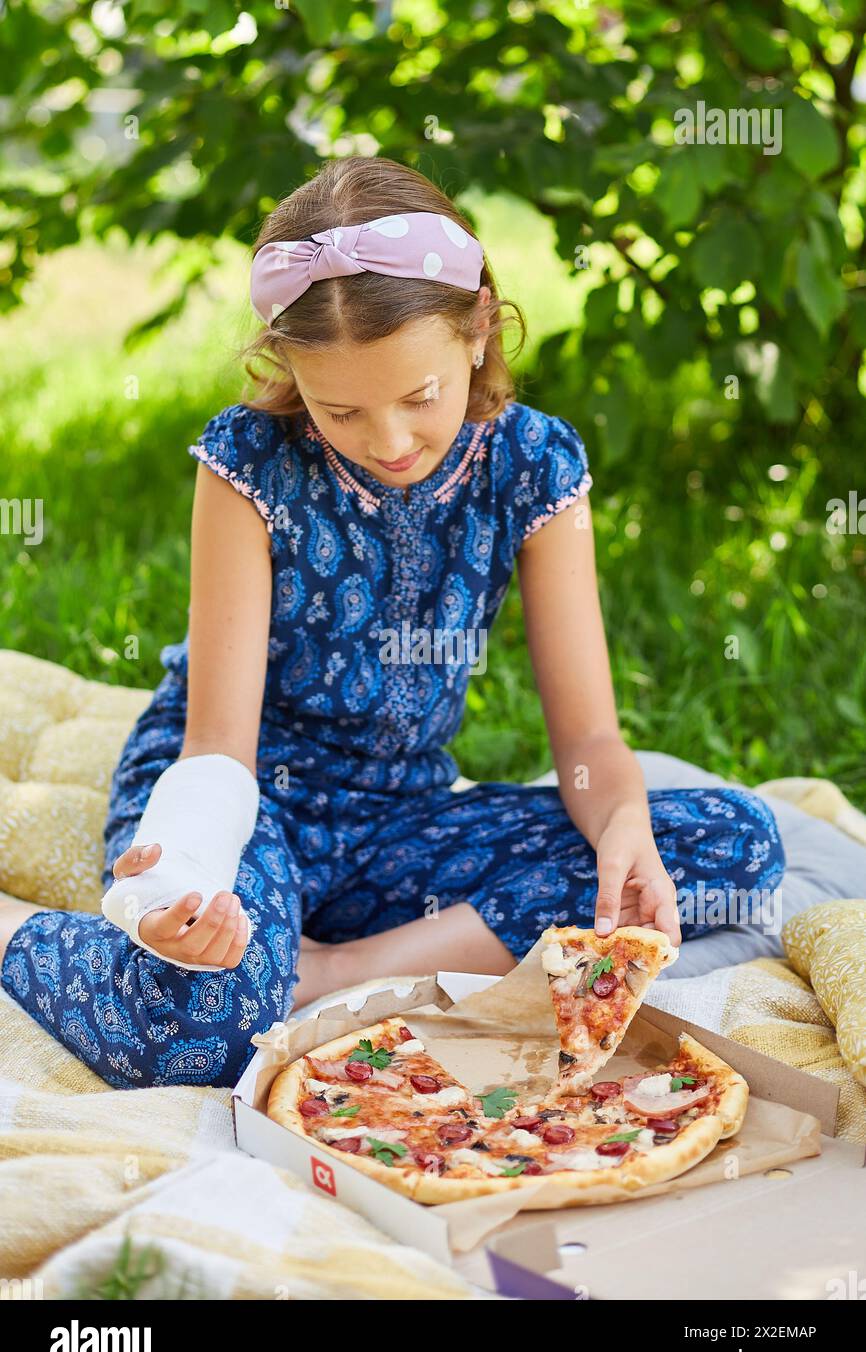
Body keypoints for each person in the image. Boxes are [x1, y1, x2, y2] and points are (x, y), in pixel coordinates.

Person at [0, 156, 785, 1088]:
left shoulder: (533, 465)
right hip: (249, 806)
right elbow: (217, 750)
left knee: (733, 839)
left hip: (401, 821)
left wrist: (622, 827)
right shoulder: (248, 462)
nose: (392, 441)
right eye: (342, 410)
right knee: (200, 1037)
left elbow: (589, 741)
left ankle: (332, 969)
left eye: (420, 397)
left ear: (479, 327)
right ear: (286, 367)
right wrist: (187, 880)